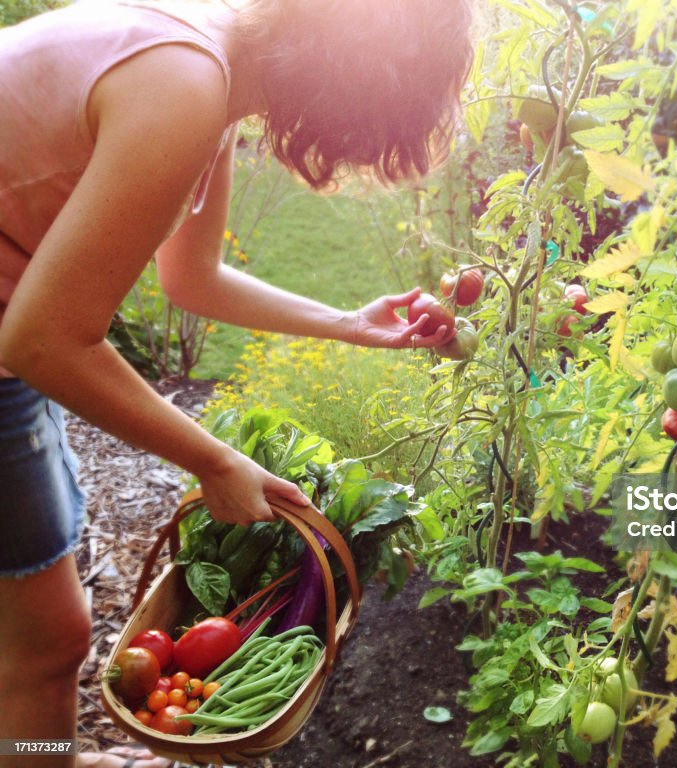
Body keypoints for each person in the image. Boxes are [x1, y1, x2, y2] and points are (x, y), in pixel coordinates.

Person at [0, 0, 474, 765]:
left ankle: (36, 751)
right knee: (49, 642)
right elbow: (45, 338)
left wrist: (351, 323)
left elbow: (193, 278)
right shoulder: (183, 87)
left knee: (42, 633)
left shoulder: (205, 60)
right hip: (13, 344)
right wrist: (216, 461)